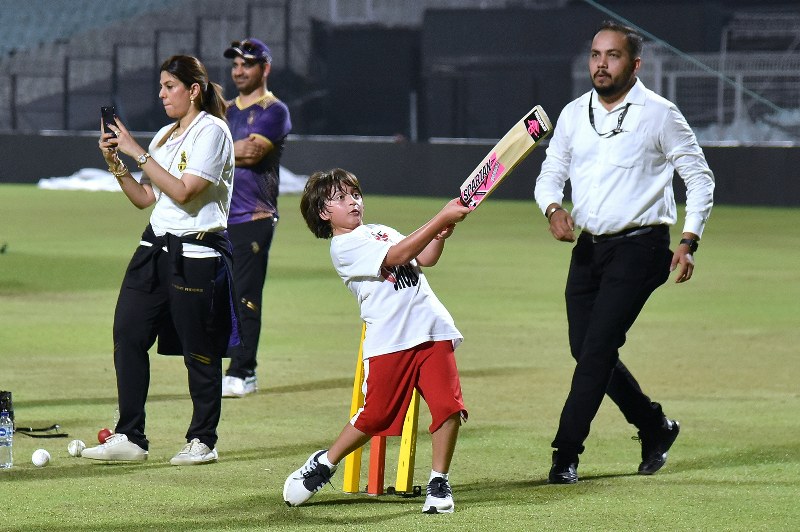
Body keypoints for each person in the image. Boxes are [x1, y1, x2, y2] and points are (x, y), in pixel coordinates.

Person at [534, 21, 714, 484]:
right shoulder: (575, 113)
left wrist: (689, 240)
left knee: (596, 351)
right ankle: (655, 426)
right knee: (586, 349)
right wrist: (553, 207)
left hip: (641, 248)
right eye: (595, 54)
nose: (601, 63)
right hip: (589, 251)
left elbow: (700, 179)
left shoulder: (660, 114)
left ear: (635, 64)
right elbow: (550, 173)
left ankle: (565, 453)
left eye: (612, 56)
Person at [284, 168, 472, 514]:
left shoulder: (380, 231)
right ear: (325, 213)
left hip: (431, 328)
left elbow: (423, 257)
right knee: (377, 417)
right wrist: (439, 216)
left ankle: (438, 480)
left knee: (449, 407)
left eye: (355, 194)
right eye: (341, 198)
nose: (353, 202)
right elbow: (398, 256)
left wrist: (441, 234)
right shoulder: (342, 247)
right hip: (390, 338)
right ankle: (325, 462)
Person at [82, 55, 235, 466]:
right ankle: (131, 435)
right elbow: (146, 199)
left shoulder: (213, 131)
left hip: (196, 253)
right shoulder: (165, 135)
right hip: (154, 248)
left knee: (198, 350)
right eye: (162, 86)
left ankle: (203, 439)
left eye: (170, 86)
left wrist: (135, 151)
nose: (162, 93)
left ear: (193, 90)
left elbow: (186, 191)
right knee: (127, 334)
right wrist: (116, 163)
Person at [220, 38, 292, 398]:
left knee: (245, 295)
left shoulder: (274, 110)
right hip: (220, 216)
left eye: (247, 64)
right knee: (220, 296)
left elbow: (252, 153)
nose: (238, 71)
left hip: (255, 216)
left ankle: (243, 370)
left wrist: (215, 151)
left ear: (265, 68)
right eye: (235, 64)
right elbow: (236, 150)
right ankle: (228, 363)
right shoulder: (226, 109)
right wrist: (229, 149)